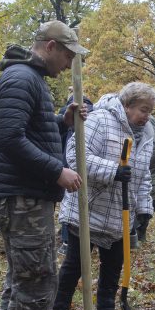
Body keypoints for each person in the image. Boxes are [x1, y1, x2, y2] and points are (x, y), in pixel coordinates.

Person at [0, 21, 87, 310]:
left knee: (22, 281)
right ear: (49, 46)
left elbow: (29, 134)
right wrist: (55, 171)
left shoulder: (31, 80)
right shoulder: (20, 79)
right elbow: (11, 139)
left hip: (26, 196)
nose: (69, 62)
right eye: (67, 54)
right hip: (22, 199)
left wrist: (62, 123)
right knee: (38, 284)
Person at [50, 82, 155, 310]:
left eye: (150, 111)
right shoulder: (99, 120)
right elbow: (76, 156)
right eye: (143, 109)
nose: (147, 116)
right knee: (75, 263)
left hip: (121, 213)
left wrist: (144, 208)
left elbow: (143, 175)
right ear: (127, 105)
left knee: (113, 265)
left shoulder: (147, 133)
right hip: (88, 208)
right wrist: (113, 171)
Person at [57, 92, 94, 256]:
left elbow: (63, 141)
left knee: (70, 202)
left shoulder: (71, 112)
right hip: (88, 166)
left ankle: (67, 241)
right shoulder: (95, 113)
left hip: (69, 165)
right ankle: (81, 239)